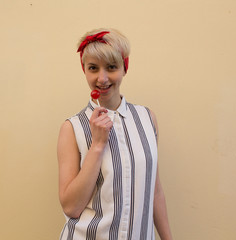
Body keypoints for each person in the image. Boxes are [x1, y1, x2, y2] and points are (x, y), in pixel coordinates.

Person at [57, 28, 173, 240]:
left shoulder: (147, 119)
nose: (102, 78)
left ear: (124, 68)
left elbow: (154, 192)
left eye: (111, 67)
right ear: (84, 70)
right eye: (93, 68)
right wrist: (98, 145)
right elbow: (71, 207)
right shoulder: (72, 128)